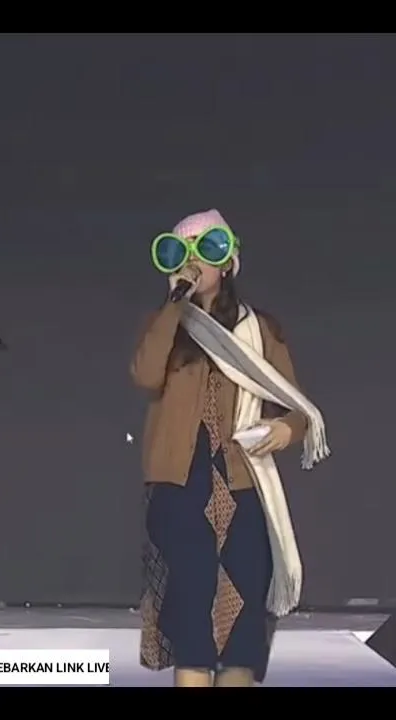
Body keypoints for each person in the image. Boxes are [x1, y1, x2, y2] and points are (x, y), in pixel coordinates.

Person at [132, 209, 331, 687]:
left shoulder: (258, 329)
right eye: (184, 254)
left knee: (240, 628)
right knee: (192, 627)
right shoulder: (167, 324)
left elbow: (297, 408)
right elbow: (145, 375)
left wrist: (285, 429)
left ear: (226, 262)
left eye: (205, 252)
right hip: (179, 491)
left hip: (243, 490)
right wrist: (173, 306)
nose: (194, 264)